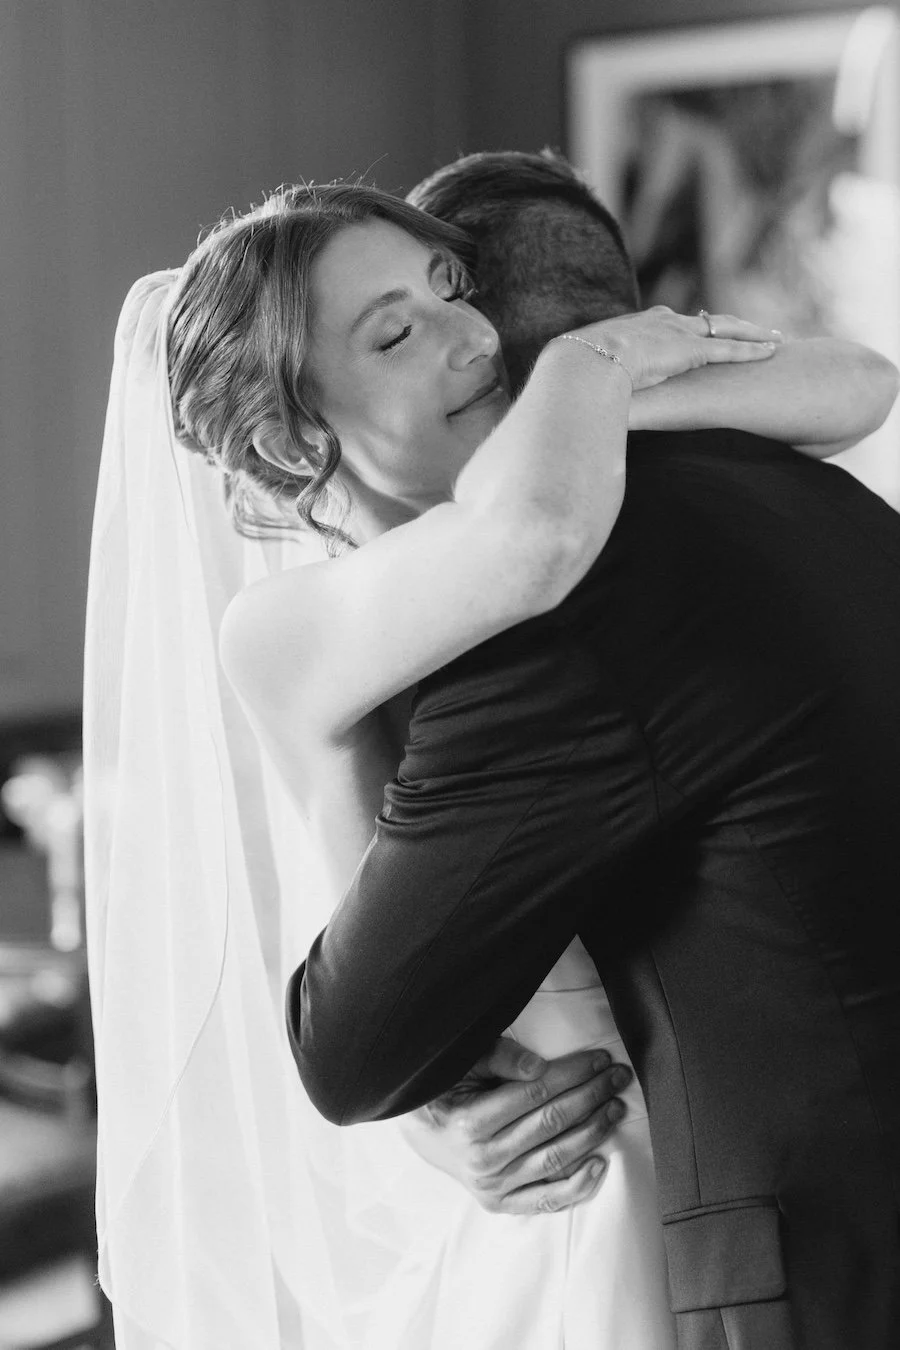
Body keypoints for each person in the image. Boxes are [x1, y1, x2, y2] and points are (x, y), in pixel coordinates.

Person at [83, 175, 896, 1350]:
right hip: (578, 1193)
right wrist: (593, 370)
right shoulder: (357, 616)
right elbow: (345, 1004)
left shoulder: (557, 554)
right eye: (397, 330)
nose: (473, 338)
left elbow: (864, 381)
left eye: (453, 290)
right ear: (287, 435)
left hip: (710, 1194)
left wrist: (594, 389)